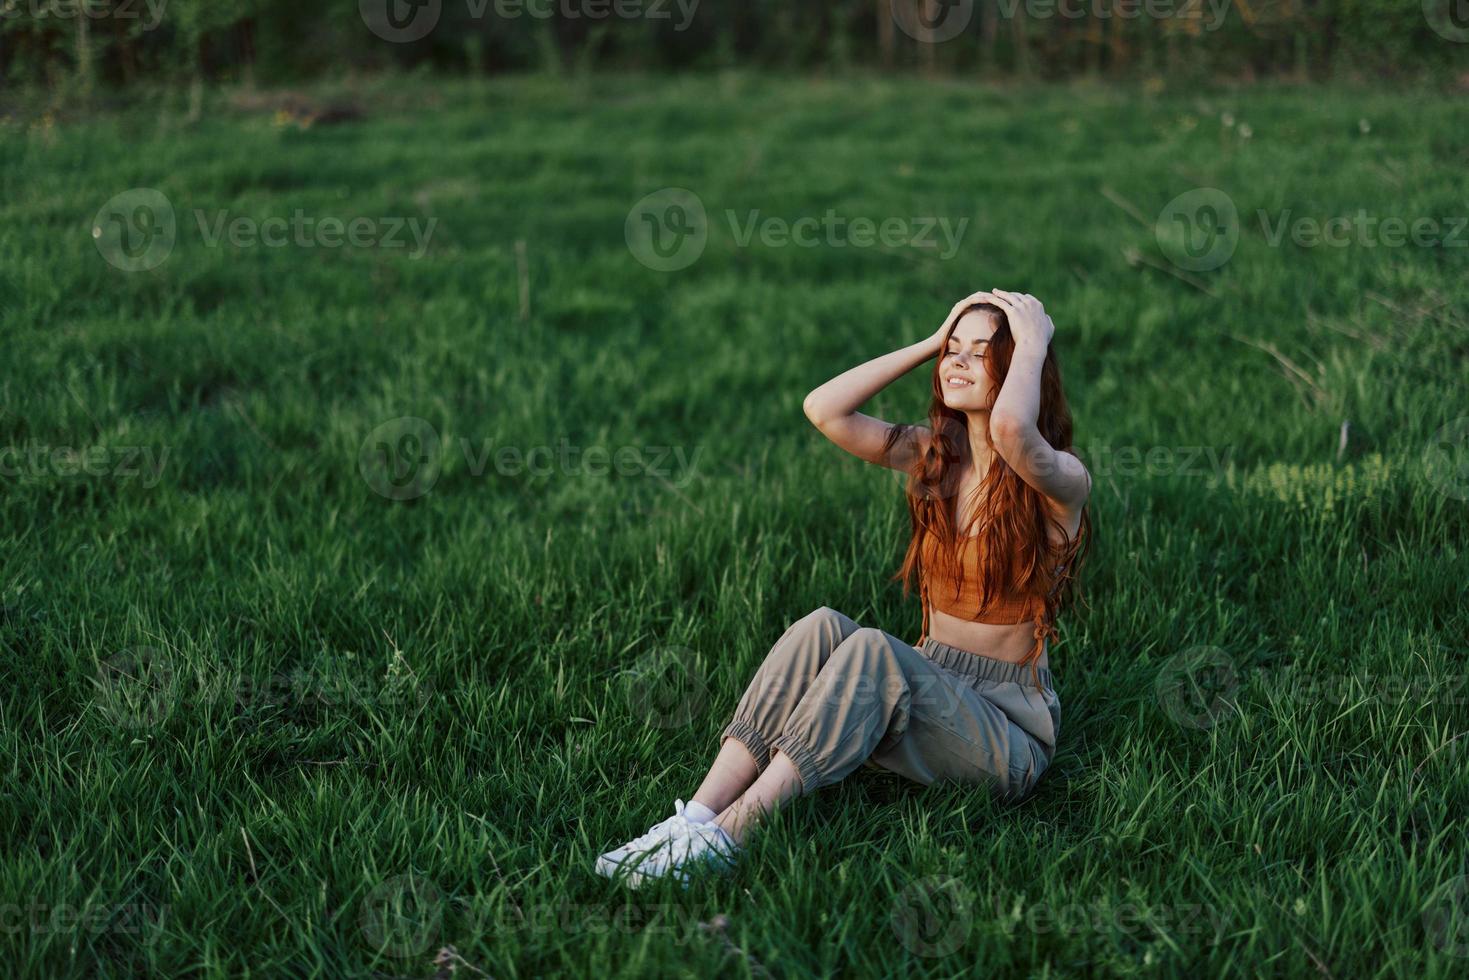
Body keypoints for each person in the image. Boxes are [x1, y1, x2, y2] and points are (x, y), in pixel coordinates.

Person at [596, 289, 1093, 888]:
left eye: (982, 353)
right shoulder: (936, 457)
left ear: (1021, 368)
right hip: (929, 684)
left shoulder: (1060, 480)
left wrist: (1036, 336)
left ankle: (730, 837)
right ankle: (696, 817)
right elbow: (824, 408)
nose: (958, 362)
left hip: (1007, 735)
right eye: (953, 351)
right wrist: (931, 342)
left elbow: (1014, 430)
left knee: (873, 651)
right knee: (822, 626)